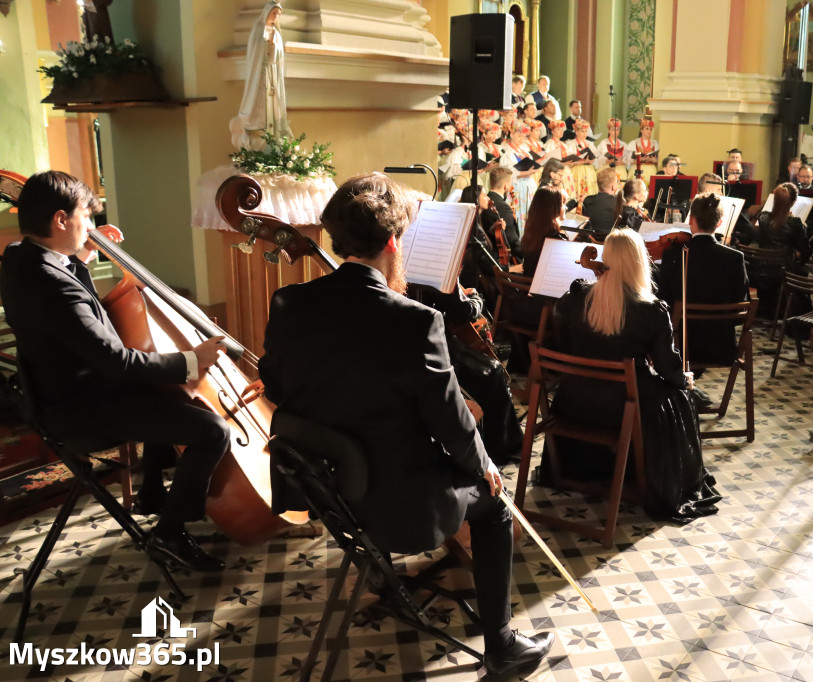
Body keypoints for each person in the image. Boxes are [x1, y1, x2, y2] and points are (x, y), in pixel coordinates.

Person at [259, 173, 552, 676]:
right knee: (494, 505)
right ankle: (501, 644)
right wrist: (485, 467)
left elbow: (281, 388)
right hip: (404, 505)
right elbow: (452, 425)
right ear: (394, 242)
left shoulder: (289, 304)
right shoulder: (415, 321)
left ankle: (383, 578)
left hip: (329, 492)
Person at [1, 171, 231, 572]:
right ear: (59, 220)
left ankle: (154, 496)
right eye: (85, 218)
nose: (91, 227)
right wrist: (192, 360)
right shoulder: (53, 284)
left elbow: (68, 302)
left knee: (164, 390)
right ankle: (170, 534)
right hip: (81, 407)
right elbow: (117, 362)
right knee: (213, 431)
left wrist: (81, 254)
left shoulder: (21, 257)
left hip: (58, 394)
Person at [549, 229, 721, 523]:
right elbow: (668, 368)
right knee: (680, 398)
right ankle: (654, 478)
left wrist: (596, 280)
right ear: (639, 262)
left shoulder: (578, 297)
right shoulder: (651, 310)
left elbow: (560, 320)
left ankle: (588, 469)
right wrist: (685, 380)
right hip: (623, 409)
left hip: (574, 401)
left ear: (605, 260)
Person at [659, 192, 749, 367]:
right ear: (720, 223)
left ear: (691, 220)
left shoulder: (673, 254)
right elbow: (739, 316)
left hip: (680, 347)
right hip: (720, 348)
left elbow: (665, 304)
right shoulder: (735, 258)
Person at [230, 1, 291, 151]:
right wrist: (265, 44)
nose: (275, 16)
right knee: (260, 105)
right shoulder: (259, 29)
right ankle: (257, 137)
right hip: (260, 75)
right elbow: (255, 53)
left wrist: (273, 46)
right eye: (273, 13)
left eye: (278, 14)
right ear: (267, 13)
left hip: (272, 74)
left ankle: (273, 135)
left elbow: (278, 57)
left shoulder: (276, 33)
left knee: (273, 106)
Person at [750, 183, 811, 312]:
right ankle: (794, 311)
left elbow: (761, 241)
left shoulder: (763, 218)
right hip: (783, 273)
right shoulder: (795, 223)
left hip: (761, 270)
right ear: (794, 202)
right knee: (803, 271)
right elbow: (806, 251)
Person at [521, 186, 570, 276]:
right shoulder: (556, 237)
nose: (566, 208)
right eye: (563, 203)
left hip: (527, 283)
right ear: (552, 208)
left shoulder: (532, 231)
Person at [499, 123, 539, 228]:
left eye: (523, 136)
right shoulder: (507, 151)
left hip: (528, 185)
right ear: (511, 135)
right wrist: (526, 173)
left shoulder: (524, 150)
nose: (521, 139)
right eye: (519, 136)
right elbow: (507, 172)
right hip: (517, 186)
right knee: (518, 213)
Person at [484, 166, 525, 262]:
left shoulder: (485, 200)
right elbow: (511, 239)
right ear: (506, 186)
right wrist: (526, 253)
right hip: (502, 258)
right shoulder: (503, 207)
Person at [581, 167, 621, 238]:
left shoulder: (587, 200)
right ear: (613, 187)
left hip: (590, 241)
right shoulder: (619, 201)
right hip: (611, 241)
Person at [568, 119, 599, 202]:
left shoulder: (589, 143)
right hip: (577, 171)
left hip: (589, 170)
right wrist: (584, 161)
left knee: (589, 192)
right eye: (582, 131)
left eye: (586, 131)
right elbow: (571, 162)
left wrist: (591, 160)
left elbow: (594, 157)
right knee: (578, 191)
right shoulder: (571, 144)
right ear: (576, 131)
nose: (584, 134)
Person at [627, 118, 659, 184]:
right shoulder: (634, 143)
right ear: (641, 130)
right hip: (638, 169)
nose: (649, 131)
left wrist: (654, 161)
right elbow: (628, 160)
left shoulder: (655, 143)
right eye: (647, 129)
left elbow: (658, 160)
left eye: (650, 129)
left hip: (651, 170)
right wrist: (639, 160)